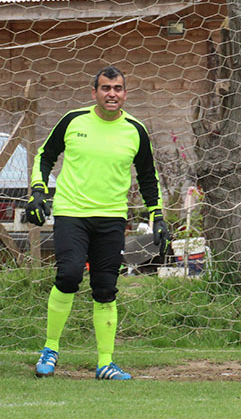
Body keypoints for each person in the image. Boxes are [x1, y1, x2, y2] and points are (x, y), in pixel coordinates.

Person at [27, 66, 168, 380]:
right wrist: (39, 191)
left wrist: (157, 216)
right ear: (94, 93)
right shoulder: (73, 121)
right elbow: (44, 155)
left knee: (105, 288)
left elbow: (148, 177)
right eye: (105, 88)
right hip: (71, 213)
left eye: (117, 88)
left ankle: (105, 363)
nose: (112, 94)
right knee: (69, 274)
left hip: (112, 218)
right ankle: (50, 350)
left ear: (125, 93)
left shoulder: (136, 130)